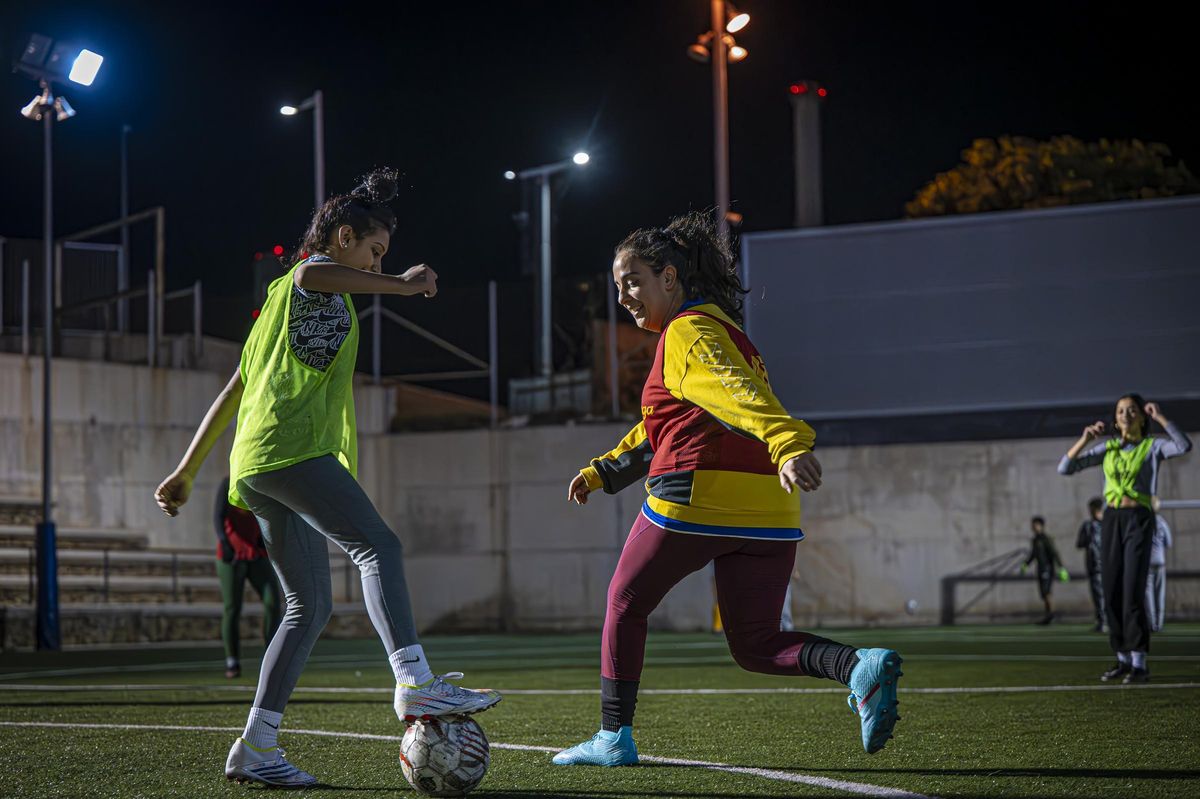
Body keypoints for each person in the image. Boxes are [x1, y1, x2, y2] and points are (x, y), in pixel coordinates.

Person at [154, 169, 499, 788]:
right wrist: (399, 283)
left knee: (307, 607)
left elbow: (235, 388)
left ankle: (256, 747)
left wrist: (186, 470)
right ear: (344, 237)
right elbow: (313, 271)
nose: (376, 262)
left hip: (257, 465)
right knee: (379, 546)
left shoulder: (281, 309)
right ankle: (416, 682)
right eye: (373, 250)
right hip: (289, 452)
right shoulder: (307, 281)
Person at [552, 211, 902, 767]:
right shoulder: (727, 334)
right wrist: (603, 469)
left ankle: (612, 739)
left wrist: (789, 441)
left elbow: (738, 396)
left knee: (625, 603)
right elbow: (662, 425)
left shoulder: (688, 332)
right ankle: (856, 668)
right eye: (618, 288)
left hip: (697, 495)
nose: (624, 297)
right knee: (756, 644)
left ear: (670, 277)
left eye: (633, 281)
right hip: (770, 509)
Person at [1058, 396, 1192, 684]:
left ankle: (1139, 662)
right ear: (1115, 418)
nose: (1125, 414)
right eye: (1120, 411)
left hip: (1139, 520)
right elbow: (1065, 468)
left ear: (1142, 417)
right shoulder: (1109, 448)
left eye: (1132, 410)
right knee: (1112, 590)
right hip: (1112, 521)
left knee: (1132, 590)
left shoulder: (1152, 446)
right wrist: (1084, 439)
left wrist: (1161, 419)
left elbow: (1183, 446)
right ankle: (1121, 659)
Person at [214, 475, 281, 679]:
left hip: (256, 552)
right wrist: (224, 542)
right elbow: (218, 516)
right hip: (232, 554)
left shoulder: (263, 481)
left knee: (272, 601)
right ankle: (232, 661)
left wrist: (263, 539)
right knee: (232, 607)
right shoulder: (228, 482)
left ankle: (273, 657)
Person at [1020, 516, 1068, 624]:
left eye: (1035, 524)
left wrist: (1061, 568)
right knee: (1043, 593)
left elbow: (1054, 553)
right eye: (1032, 525)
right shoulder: (1035, 540)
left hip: (1047, 568)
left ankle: (1050, 614)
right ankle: (1048, 615)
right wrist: (1026, 564)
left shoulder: (1046, 539)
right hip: (1040, 568)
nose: (1033, 527)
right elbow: (1033, 554)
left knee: (1046, 592)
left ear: (1041, 526)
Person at [1075, 497, 1106, 632]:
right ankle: (1102, 621)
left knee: (1105, 595)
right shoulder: (1088, 526)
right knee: (1098, 595)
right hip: (1095, 566)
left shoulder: (1108, 524)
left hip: (1107, 565)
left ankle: (1106, 622)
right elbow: (1080, 544)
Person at [1146, 508, 1172, 632]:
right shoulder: (1162, 522)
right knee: (1159, 593)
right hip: (1160, 561)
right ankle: (1159, 624)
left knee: (1148, 594)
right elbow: (1169, 542)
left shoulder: (1143, 521)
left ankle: (1152, 624)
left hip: (1147, 562)